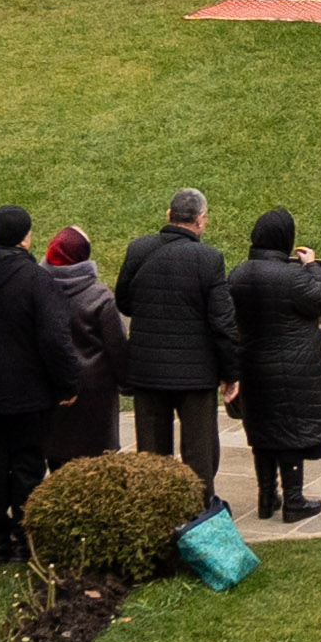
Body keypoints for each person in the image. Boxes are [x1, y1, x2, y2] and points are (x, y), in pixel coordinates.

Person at [0, 204, 94, 556]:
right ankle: (24, 538)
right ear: (25, 238)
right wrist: (68, 383)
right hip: (28, 394)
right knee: (27, 465)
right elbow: (55, 339)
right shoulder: (36, 280)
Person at [114, 192, 238, 512]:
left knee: (152, 456)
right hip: (195, 375)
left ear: (169, 214)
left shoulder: (138, 249)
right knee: (199, 454)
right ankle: (199, 517)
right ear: (200, 220)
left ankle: (157, 517)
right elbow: (223, 324)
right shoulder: (209, 259)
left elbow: (124, 302)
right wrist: (230, 373)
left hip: (147, 370)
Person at [224, 210, 321, 525]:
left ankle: (266, 498)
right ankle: (294, 501)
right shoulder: (292, 277)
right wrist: (312, 266)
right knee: (290, 432)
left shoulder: (238, 274)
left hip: (252, 365)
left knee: (262, 431)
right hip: (293, 366)